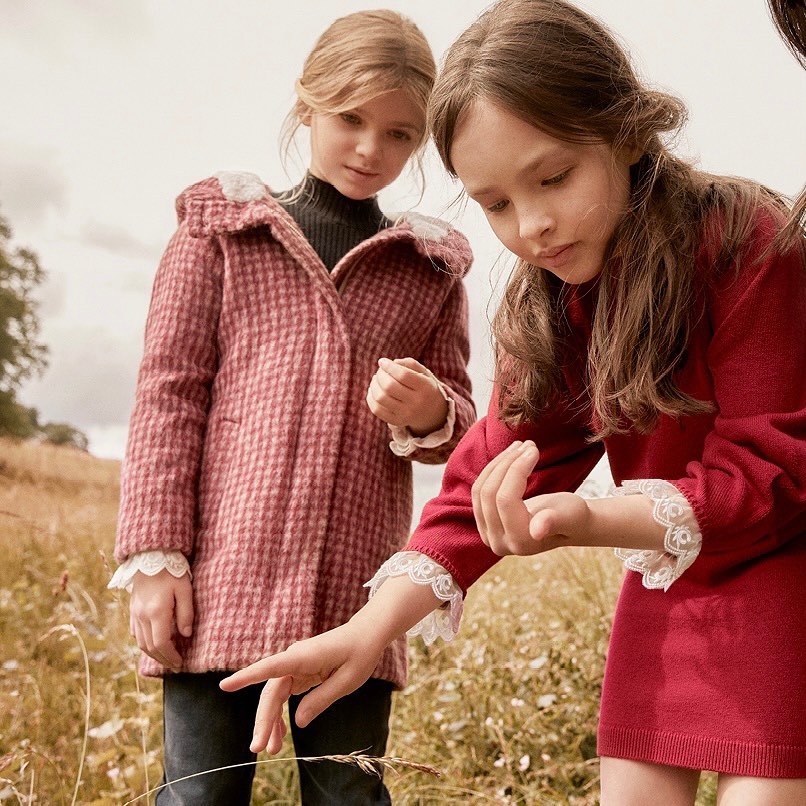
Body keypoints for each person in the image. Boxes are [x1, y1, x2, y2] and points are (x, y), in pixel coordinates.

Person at [220, 1, 806, 804]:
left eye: (554, 177)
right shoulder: (561, 299)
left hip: (783, 591)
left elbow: (774, 472)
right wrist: (370, 628)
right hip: (666, 599)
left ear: (627, 132)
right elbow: (485, 473)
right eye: (494, 203)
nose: (530, 226)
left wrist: (596, 521)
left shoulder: (750, 239)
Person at [108, 10, 476, 805]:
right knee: (199, 792)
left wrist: (426, 411)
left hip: (353, 601)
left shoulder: (429, 269)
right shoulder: (219, 234)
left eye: (400, 134)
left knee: (349, 796)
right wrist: (154, 558)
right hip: (219, 582)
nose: (371, 150)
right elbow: (168, 396)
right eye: (350, 119)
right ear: (307, 103)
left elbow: (459, 426)